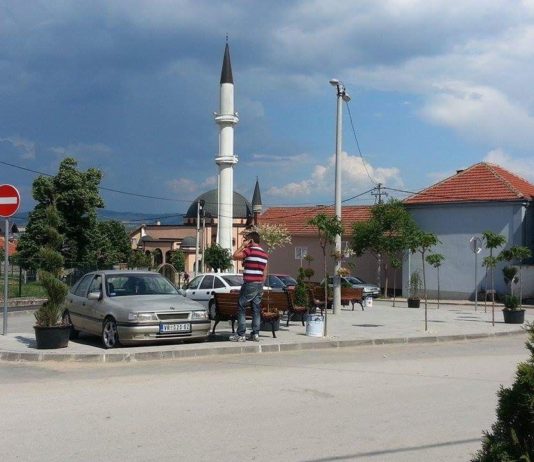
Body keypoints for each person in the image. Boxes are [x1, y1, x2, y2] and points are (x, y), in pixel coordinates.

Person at [229, 231, 268, 342]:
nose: (244, 241)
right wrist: (261, 285)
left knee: (241, 307)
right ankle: (255, 334)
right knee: (256, 309)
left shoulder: (249, 250)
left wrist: (242, 246)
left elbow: (234, 256)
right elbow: (265, 272)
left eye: (246, 239)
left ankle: (241, 334)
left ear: (251, 240)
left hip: (250, 283)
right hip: (259, 284)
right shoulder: (264, 254)